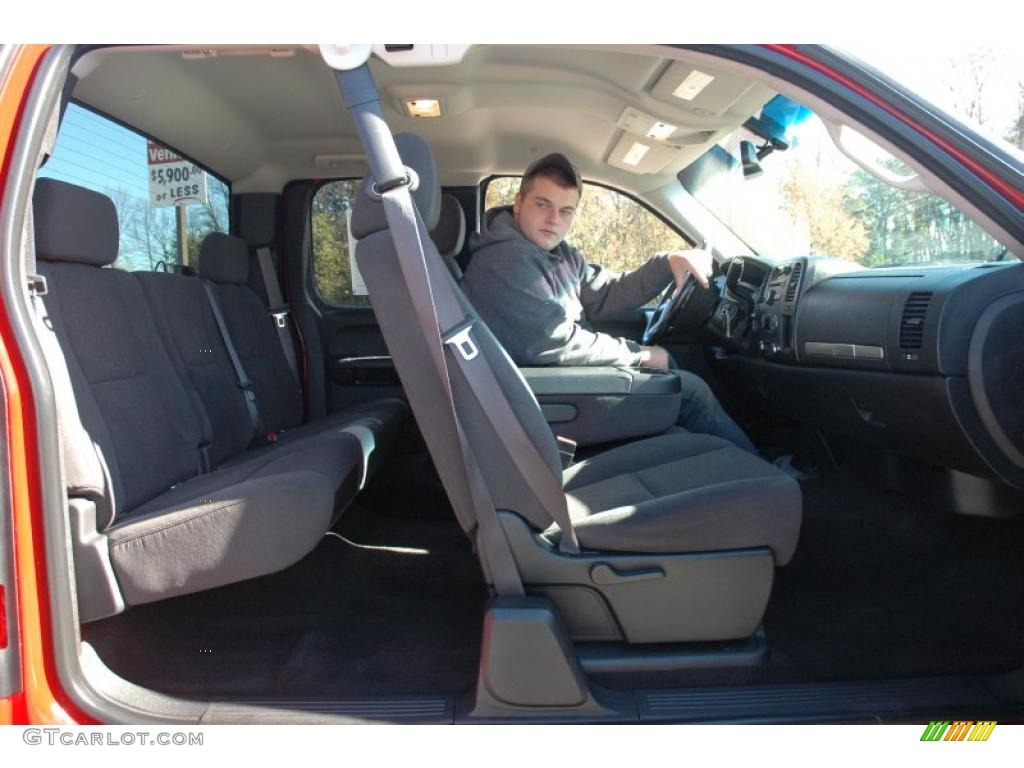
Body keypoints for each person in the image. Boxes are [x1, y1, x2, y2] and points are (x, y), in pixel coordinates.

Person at [461, 152, 754, 452]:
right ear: (519, 203)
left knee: (679, 379)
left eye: (566, 211)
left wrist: (667, 263)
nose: (554, 219)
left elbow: (606, 294)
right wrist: (639, 355)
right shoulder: (504, 259)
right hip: (542, 398)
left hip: (562, 381)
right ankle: (763, 477)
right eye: (542, 204)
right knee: (689, 391)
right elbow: (552, 341)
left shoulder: (560, 254)